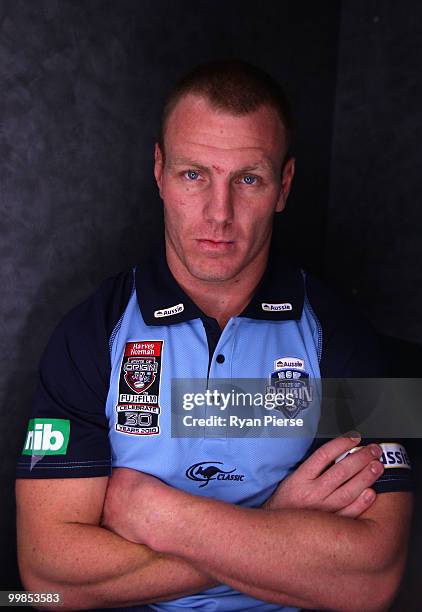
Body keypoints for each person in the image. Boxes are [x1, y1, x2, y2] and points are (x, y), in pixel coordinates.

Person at [16, 59, 413, 612]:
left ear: (284, 185)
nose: (218, 213)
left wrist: (161, 516)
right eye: (194, 174)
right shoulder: (89, 334)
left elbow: (370, 582)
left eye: (247, 179)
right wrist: (273, 524)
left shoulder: (349, 337)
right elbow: (44, 582)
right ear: (159, 171)